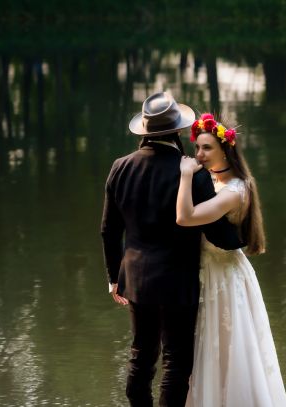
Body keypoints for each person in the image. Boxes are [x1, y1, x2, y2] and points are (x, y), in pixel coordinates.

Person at [101, 93, 244, 407]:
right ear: (177, 132)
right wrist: (244, 231)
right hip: (178, 281)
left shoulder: (120, 167)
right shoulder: (193, 174)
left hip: (135, 279)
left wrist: (115, 278)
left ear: (145, 130)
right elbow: (220, 236)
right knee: (176, 362)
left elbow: (109, 231)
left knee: (141, 357)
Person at [177, 114, 286, 407]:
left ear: (224, 150)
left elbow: (185, 217)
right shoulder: (213, 181)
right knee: (203, 352)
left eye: (206, 148)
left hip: (224, 278)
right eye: (197, 148)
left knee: (231, 351)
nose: (198, 155)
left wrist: (186, 174)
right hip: (204, 274)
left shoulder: (236, 190)